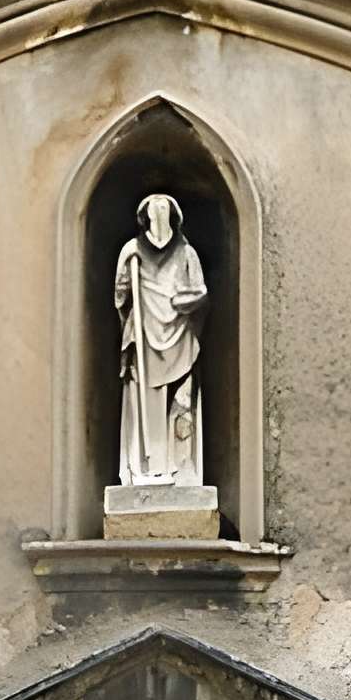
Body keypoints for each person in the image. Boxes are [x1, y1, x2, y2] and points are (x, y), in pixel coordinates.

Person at [115, 194, 207, 487]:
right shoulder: (132, 251)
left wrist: (181, 302)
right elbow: (121, 295)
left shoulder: (187, 253)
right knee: (143, 401)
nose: (158, 214)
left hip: (179, 337)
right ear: (144, 217)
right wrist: (127, 278)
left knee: (181, 401)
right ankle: (144, 466)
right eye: (153, 211)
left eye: (164, 209)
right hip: (144, 336)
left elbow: (201, 293)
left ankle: (181, 467)